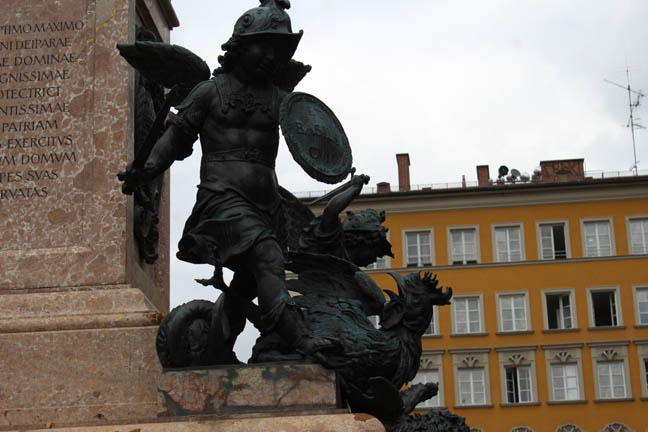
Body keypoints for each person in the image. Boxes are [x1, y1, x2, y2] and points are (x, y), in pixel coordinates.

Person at [119, 0, 329, 357]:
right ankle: (302, 340)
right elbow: (174, 139)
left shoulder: (280, 99)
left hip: (269, 206)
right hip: (224, 198)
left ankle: (215, 349)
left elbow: (314, 137)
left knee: (247, 282)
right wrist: (147, 169)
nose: (270, 57)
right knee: (267, 259)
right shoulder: (209, 92)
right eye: (263, 47)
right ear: (240, 46)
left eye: (277, 51)